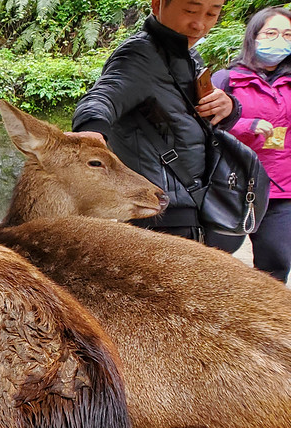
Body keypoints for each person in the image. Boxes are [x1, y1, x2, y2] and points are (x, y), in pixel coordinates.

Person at [72, 0, 243, 251]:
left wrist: (229, 107)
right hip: (160, 215)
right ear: (157, 5)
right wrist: (90, 132)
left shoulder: (187, 55)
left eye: (212, 13)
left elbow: (192, 122)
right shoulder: (139, 54)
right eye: (190, 10)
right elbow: (102, 97)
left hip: (189, 207)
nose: (200, 24)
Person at [212, 6, 291, 282]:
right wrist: (247, 126)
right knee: (213, 255)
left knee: (276, 262)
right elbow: (201, 123)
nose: (280, 40)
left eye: (287, 34)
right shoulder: (227, 79)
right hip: (231, 183)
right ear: (253, 36)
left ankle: (270, 318)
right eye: (271, 32)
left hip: (282, 189)